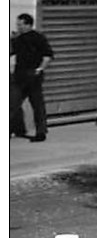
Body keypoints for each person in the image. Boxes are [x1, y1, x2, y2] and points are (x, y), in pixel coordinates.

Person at [11, 14, 53, 142]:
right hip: (19, 76)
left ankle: (41, 132)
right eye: (18, 24)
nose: (18, 27)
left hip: (33, 76)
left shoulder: (38, 38)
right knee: (12, 103)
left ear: (28, 25)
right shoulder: (17, 39)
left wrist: (40, 69)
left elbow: (47, 55)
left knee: (37, 105)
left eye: (20, 24)